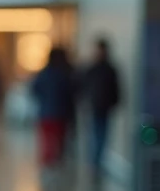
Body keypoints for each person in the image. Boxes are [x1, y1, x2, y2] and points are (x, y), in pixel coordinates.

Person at [79, 38, 122, 173]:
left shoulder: (110, 69)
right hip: (93, 107)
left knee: (102, 136)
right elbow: (83, 87)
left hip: (105, 107)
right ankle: (93, 163)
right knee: (93, 135)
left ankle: (97, 162)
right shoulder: (91, 69)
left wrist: (115, 103)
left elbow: (116, 88)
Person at [31, 46, 77, 167]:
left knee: (48, 141)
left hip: (46, 113)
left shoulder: (44, 73)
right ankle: (56, 162)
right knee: (59, 141)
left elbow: (35, 89)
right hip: (61, 113)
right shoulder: (66, 74)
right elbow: (72, 93)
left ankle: (48, 162)